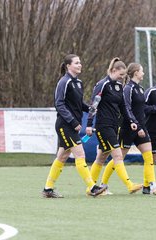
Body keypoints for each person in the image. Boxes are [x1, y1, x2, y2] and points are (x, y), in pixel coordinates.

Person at [98, 63, 156, 195]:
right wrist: (135, 125)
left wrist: (154, 112)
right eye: (142, 71)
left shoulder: (141, 89)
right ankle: (103, 185)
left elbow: (142, 109)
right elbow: (127, 109)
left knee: (149, 157)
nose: (143, 73)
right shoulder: (128, 89)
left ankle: (152, 186)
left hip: (141, 128)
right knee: (118, 159)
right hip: (128, 128)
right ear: (136, 72)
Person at [42, 54, 106, 198]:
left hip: (70, 125)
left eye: (80, 62)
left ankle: (48, 189)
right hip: (65, 125)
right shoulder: (64, 82)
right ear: (68, 66)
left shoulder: (79, 83)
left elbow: (78, 104)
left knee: (62, 157)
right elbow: (59, 104)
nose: (80, 65)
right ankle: (92, 187)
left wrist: (90, 108)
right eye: (76, 63)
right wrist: (73, 122)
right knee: (80, 154)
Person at [86, 58, 142, 194]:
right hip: (103, 125)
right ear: (113, 70)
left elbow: (123, 107)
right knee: (117, 155)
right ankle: (129, 185)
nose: (122, 77)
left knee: (101, 157)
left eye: (124, 75)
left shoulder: (118, 87)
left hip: (113, 125)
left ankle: (90, 188)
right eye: (121, 74)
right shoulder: (102, 84)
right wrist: (89, 124)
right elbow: (94, 105)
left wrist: (131, 122)